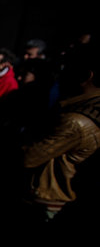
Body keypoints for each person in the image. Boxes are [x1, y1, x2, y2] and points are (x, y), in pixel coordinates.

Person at [21, 44, 100, 222]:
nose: (62, 73)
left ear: (86, 75)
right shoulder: (78, 107)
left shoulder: (75, 121)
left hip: (49, 201)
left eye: (69, 68)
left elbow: (29, 156)